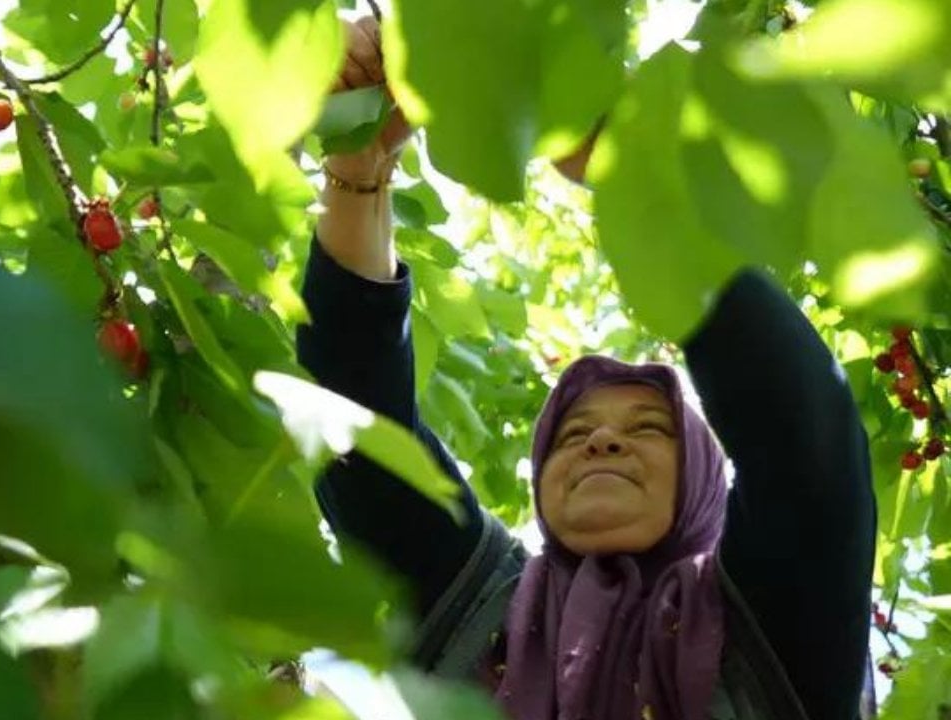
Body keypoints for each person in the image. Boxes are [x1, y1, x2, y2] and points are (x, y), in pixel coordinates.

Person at [297, 17, 876, 720]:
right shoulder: (478, 610)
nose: (602, 441)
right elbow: (355, 421)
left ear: (702, 484)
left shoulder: (769, 617)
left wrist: (623, 163)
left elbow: (803, 430)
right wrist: (359, 170)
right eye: (572, 436)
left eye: (648, 429)